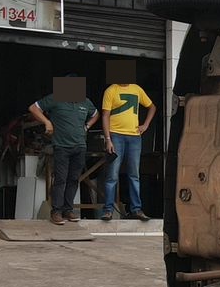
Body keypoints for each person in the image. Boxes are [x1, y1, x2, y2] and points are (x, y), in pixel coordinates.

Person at [27, 81, 98, 225]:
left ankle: (68, 210)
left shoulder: (85, 101)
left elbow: (96, 114)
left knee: (73, 179)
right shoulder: (55, 98)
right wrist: (47, 122)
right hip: (62, 146)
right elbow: (33, 108)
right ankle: (56, 212)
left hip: (80, 147)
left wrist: (87, 126)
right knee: (60, 179)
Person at [100, 78, 155, 221]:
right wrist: (108, 139)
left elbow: (152, 107)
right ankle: (108, 210)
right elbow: (105, 115)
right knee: (112, 175)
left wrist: (145, 125)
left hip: (134, 137)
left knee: (134, 175)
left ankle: (136, 209)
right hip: (116, 135)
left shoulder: (137, 89)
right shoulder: (111, 90)